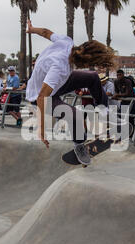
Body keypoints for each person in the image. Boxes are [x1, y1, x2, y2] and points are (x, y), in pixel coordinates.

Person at [25, 20, 114, 165]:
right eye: (87, 65)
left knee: (92, 77)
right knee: (75, 115)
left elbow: (46, 32)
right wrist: (41, 128)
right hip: (41, 96)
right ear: (83, 62)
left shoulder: (67, 42)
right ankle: (79, 145)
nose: (87, 67)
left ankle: (104, 112)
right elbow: (42, 96)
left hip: (58, 84)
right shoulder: (59, 67)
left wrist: (32, 29)